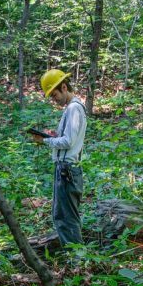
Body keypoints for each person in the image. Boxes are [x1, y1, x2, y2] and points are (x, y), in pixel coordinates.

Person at [30, 69, 87, 248]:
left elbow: (68, 141)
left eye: (54, 95)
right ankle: (76, 258)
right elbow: (68, 137)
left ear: (64, 87)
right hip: (65, 169)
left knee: (65, 217)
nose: (54, 100)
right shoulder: (71, 109)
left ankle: (77, 260)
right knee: (64, 215)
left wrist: (46, 140)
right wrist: (55, 136)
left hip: (67, 170)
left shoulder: (74, 109)